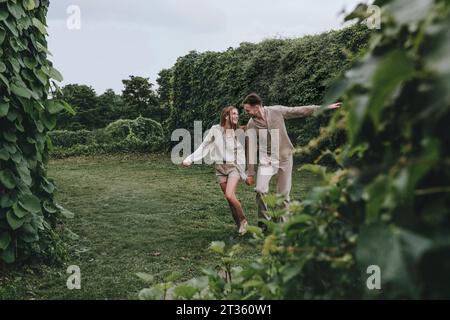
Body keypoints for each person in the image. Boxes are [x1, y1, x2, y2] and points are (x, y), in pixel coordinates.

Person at [242, 93, 341, 231]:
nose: (246, 112)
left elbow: (299, 110)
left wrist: (324, 107)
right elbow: (250, 149)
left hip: (285, 158)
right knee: (260, 189)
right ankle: (263, 221)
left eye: (248, 110)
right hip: (267, 160)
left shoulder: (276, 111)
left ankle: (282, 224)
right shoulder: (251, 124)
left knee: (283, 194)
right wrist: (250, 173)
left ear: (257, 106)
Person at [182, 106, 253, 235]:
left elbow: (241, 155)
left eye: (237, 114)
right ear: (226, 116)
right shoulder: (215, 130)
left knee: (229, 195)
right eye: (234, 114)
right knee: (229, 200)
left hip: (233, 168)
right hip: (220, 168)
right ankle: (239, 227)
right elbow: (204, 146)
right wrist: (190, 159)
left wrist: (244, 175)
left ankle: (243, 220)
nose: (237, 116)